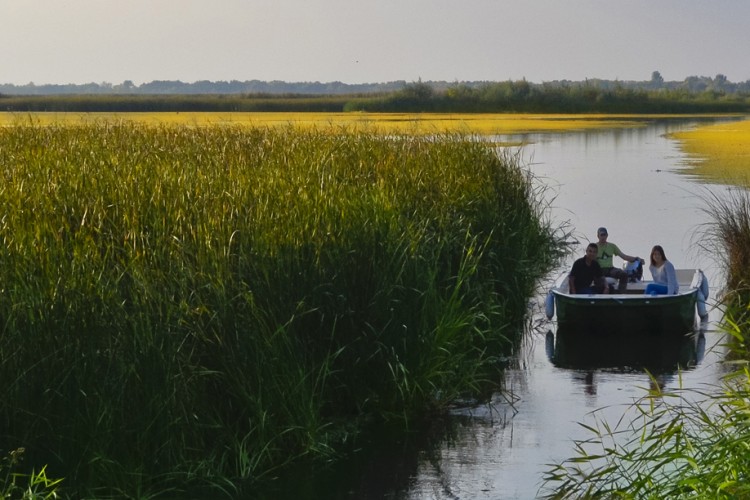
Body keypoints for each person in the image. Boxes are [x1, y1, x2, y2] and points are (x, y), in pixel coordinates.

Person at [595, 227, 643, 292]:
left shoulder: (612, 246)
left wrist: (636, 259)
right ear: (598, 236)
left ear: (607, 235)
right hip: (599, 270)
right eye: (601, 235)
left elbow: (624, 256)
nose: (603, 237)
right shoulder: (595, 247)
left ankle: (621, 294)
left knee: (623, 274)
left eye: (604, 235)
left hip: (610, 269)